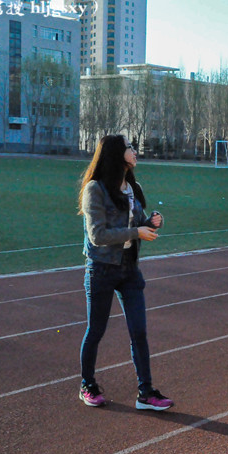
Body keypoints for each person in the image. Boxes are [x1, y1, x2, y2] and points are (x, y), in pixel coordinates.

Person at [77, 135, 174, 410]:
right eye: (129, 147)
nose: (134, 151)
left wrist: (151, 222)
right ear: (116, 154)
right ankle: (87, 384)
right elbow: (97, 236)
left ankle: (146, 392)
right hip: (102, 269)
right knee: (96, 330)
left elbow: (138, 222)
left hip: (130, 269)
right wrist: (137, 231)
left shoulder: (133, 186)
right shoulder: (95, 189)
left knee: (139, 331)